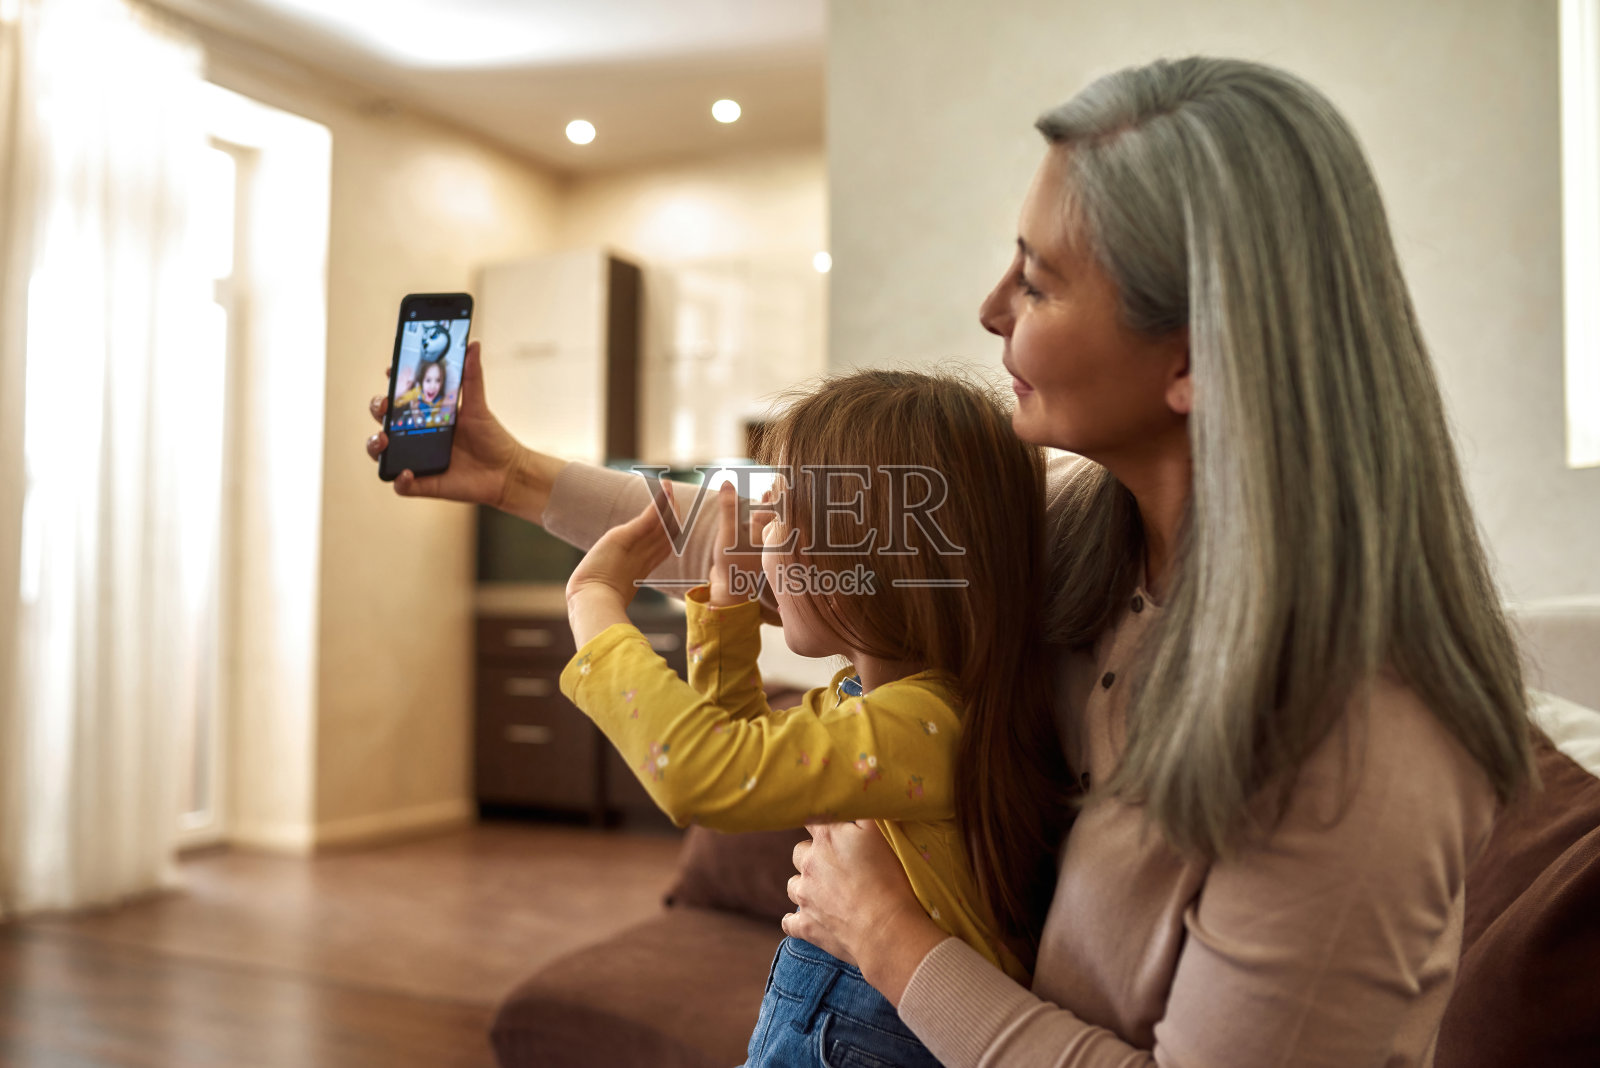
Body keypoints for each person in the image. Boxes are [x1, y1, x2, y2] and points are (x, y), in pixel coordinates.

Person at [367, 56, 1534, 1067]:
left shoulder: (1354, 743)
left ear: (1192, 357)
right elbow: (788, 531)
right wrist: (514, 475)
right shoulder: (1089, 541)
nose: (989, 310)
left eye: (1036, 279)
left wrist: (892, 940)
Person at [559, 370, 1063, 1068]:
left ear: (879, 552)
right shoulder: (866, 702)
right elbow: (739, 761)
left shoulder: (928, 725)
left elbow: (700, 775)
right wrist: (726, 616)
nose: (767, 535)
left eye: (787, 514)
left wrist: (594, 603)